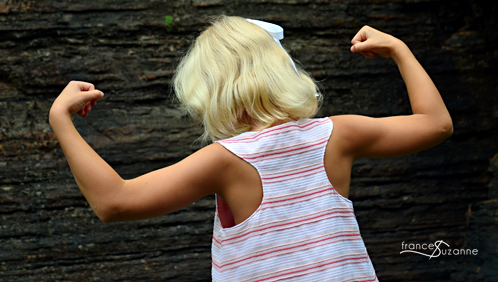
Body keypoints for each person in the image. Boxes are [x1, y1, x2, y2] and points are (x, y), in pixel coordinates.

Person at [49, 16, 453, 281]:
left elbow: (113, 202)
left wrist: (61, 121)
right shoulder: (337, 134)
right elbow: (436, 125)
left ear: (210, 92)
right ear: (283, 70)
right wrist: (399, 49)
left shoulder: (225, 160)